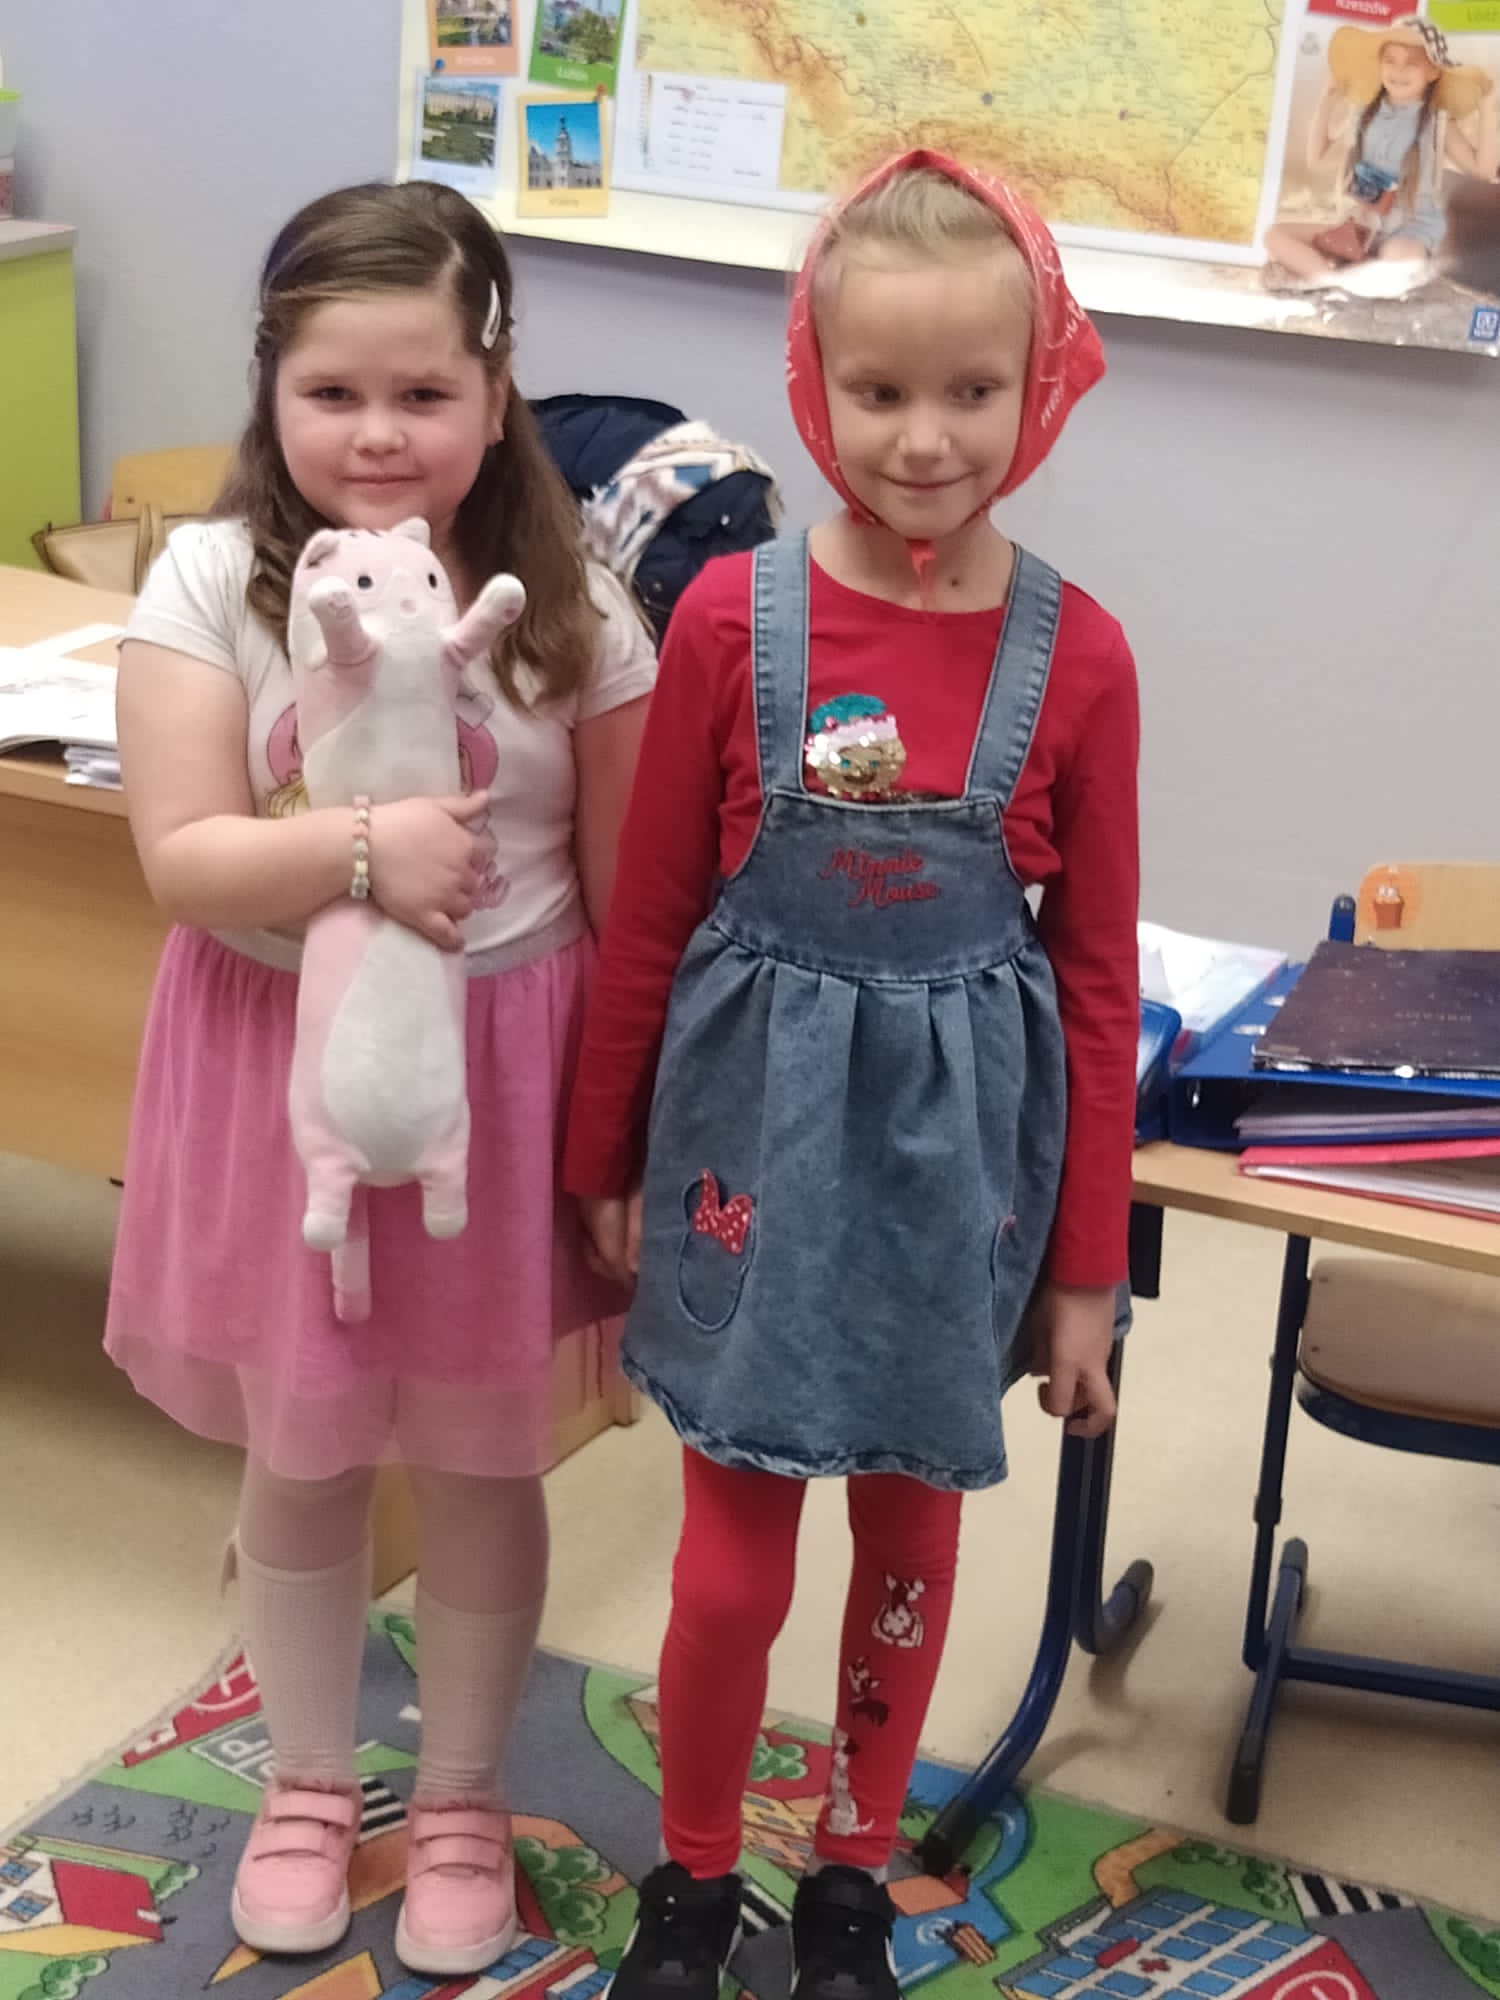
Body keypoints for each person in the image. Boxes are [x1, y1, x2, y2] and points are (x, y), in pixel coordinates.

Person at [563, 150, 1139, 2000]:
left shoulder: (1083, 656)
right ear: (817, 384)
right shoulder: (731, 618)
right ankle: (693, 1880)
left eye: (972, 389)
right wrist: (602, 1154)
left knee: (906, 1550)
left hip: (951, 1182)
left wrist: (1086, 1271)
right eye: (879, 390)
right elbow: (652, 913)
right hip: (747, 1153)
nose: (924, 438)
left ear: (1041, 384)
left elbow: (1099, 980)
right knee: (730, 1577)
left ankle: (850, 1880)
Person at [107, 179, 654, 1978]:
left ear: (497, 394)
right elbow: (185, 856)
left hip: (507, 1073)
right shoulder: (212, 581)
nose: (378, 435)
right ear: (271, 387)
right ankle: (310, 1783)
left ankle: (468, 1799)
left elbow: (637, 898)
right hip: (280, 1074)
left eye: (424, 393)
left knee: (485, 1458)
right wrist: (363, 847)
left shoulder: (571, 606)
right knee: (306, 1446)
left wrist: (622, 1138)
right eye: (332, 392)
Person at [1264, 13, 1498, 286]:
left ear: (1433, 72)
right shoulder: (1363, 117)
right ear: (1379, 65)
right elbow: (1318, 159)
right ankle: (1333, 281)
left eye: (1411, 63)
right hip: (1358, 228)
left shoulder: (1438, 124)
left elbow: (1482, 170)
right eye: (1390, 61)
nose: (1398, 71)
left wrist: (1488, 110)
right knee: (1275, 235)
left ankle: (1335, 272)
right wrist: (1327, 100)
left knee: (1400, 261)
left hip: (1410, 232)